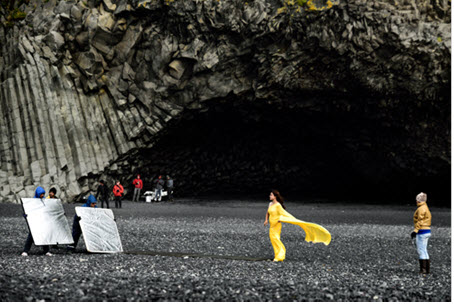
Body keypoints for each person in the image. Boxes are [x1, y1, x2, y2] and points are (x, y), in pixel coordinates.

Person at [263, 190, 331, 262]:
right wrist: (266, 220)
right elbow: (267, 213)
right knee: (273, 239)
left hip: (276, 225)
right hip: (271, 225)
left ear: (275, 196)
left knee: (276, 239)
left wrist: (280, 219)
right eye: (270, 195)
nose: (269, 196)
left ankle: (280, 255)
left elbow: (283, 213)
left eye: (271, 195)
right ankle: (277, 255)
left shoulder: (278, 205)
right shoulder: (270, 204)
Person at [21, 187, 52, 256]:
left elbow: (47, 209)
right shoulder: (32, 202)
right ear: (38, 194)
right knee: (31, 235)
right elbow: (27, 210)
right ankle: (25, 251)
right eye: (41, 194)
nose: (42, 195)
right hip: (35, 221)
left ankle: (46, 251)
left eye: (43, 194)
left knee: (44, 235)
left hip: (42, 221)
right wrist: (26, 215)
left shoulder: (44, 201)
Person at [411, 192, 432, 274]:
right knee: (424, 250)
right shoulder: (426, 207)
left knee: (421, 250)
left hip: (422, 231)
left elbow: (420, 221)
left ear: (418, 200)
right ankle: (427, 269)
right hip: (427, 230)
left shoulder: (421, 209)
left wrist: (415, 231)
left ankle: (423, 269)